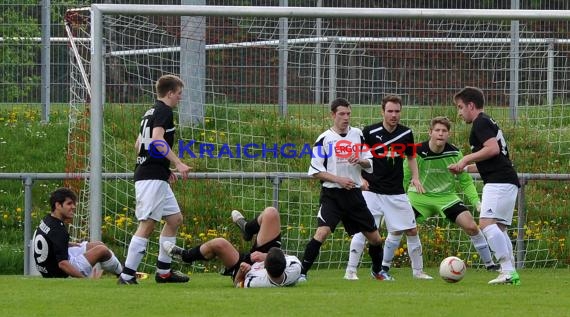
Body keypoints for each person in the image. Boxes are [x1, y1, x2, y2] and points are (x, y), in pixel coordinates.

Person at [345, 94, 432, 281]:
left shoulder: (406, 133)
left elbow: (411, 157)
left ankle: (418, 272)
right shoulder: (368, 132)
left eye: (397, 111)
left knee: (411, 230)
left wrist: (415, 178)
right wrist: (360, 178)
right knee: (365, 230)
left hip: (396, 191)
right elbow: (359, 158)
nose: (394, 115)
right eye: (390, 111)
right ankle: (350, 271)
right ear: (382, 111)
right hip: (372, 191)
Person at [299, 97, 384, 282]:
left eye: (348, 114)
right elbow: (315, 171)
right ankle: (302, 273)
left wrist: (360, 160)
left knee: (376, 239)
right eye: (341, 114)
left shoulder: (358, 134)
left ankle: (378, 272)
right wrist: (338, 179)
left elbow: (369, 161)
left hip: (354, 195)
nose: (346, 118)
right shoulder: (324, 139)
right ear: (333, 115)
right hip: (332, 196)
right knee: (322, 233)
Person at [118, 74, 192, 285]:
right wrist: (177, 163)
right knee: (147, 224)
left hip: (155, 174)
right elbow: (158, 141)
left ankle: (164, 272)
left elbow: (139, 144)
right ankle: (126, 276)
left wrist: (161, 166)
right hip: (150, 178)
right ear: (170, 93)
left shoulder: (149, 112)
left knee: (174, 219)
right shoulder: (164, 111)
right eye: (179, 94)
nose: (180, 98)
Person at [403, 116, 498, 270]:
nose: (441, 133)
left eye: (444, 131)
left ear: (449, 134)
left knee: (472, 227)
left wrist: (476, 202)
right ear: (430, 132)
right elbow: (405, 177)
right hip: (419, 197)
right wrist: (398, 200)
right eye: (437, 130)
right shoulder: (417, 151)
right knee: (401, 228)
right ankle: (385, 266)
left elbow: (465, 181)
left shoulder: (454, 153)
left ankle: (490, 264)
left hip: (446, 197)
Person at [448, 86, 521, 285]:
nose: (459, 112)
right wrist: (463, 168)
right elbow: (489, 162)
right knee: (499, 228)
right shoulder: (487, 121)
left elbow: (493, 150)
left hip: (499, 182)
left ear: (471, 105)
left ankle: (506, 270)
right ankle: (510, 272)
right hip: (505, 179)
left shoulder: (480, 123)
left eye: (461, 107)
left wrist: (464, 159)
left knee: (486, 225)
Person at [163, 207, 302, 287]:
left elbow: (238, 283)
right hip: (264, 257)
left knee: (219, 243)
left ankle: (186, 256)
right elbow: (287, 257)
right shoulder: (295, 268)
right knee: (271, 213)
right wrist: (264, 255)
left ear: (265, 267)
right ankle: (247, 228)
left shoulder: (257, 282)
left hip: (245, 267)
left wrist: (243, 271)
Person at [32, 187, 123, 278]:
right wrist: (84, 280)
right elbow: (63, 264)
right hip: (60, 272)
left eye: (73, 203)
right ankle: (123, 274)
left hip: (46, 267)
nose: (73, 207)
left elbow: (50, 241)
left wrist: (68, 244)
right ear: (58, 205)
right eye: (69, 204)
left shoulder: (47, 220)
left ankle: (122, 272)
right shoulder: (58, 230)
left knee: (98, 244)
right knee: (102, 250)